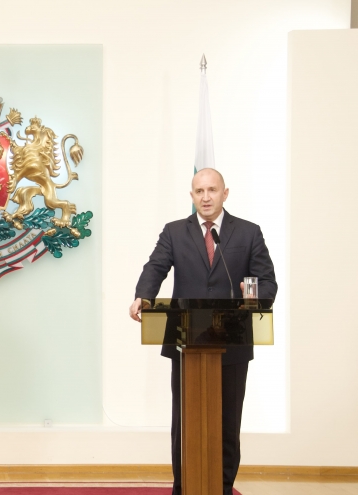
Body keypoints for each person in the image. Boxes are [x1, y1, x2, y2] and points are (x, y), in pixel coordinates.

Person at [129, 168, 276, 495]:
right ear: (192, 195)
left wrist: (257, 299)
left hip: (233, 342)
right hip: (186, 341)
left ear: (225, 193)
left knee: (227, 423)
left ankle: (223, 488)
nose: (206, 197)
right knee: (185, 423)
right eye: (199, 191)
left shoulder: (248, 233)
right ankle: (184, 488)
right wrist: (144, 296)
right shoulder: (174, 232)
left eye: (212, 190)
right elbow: (156, 266)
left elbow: (267, 280)